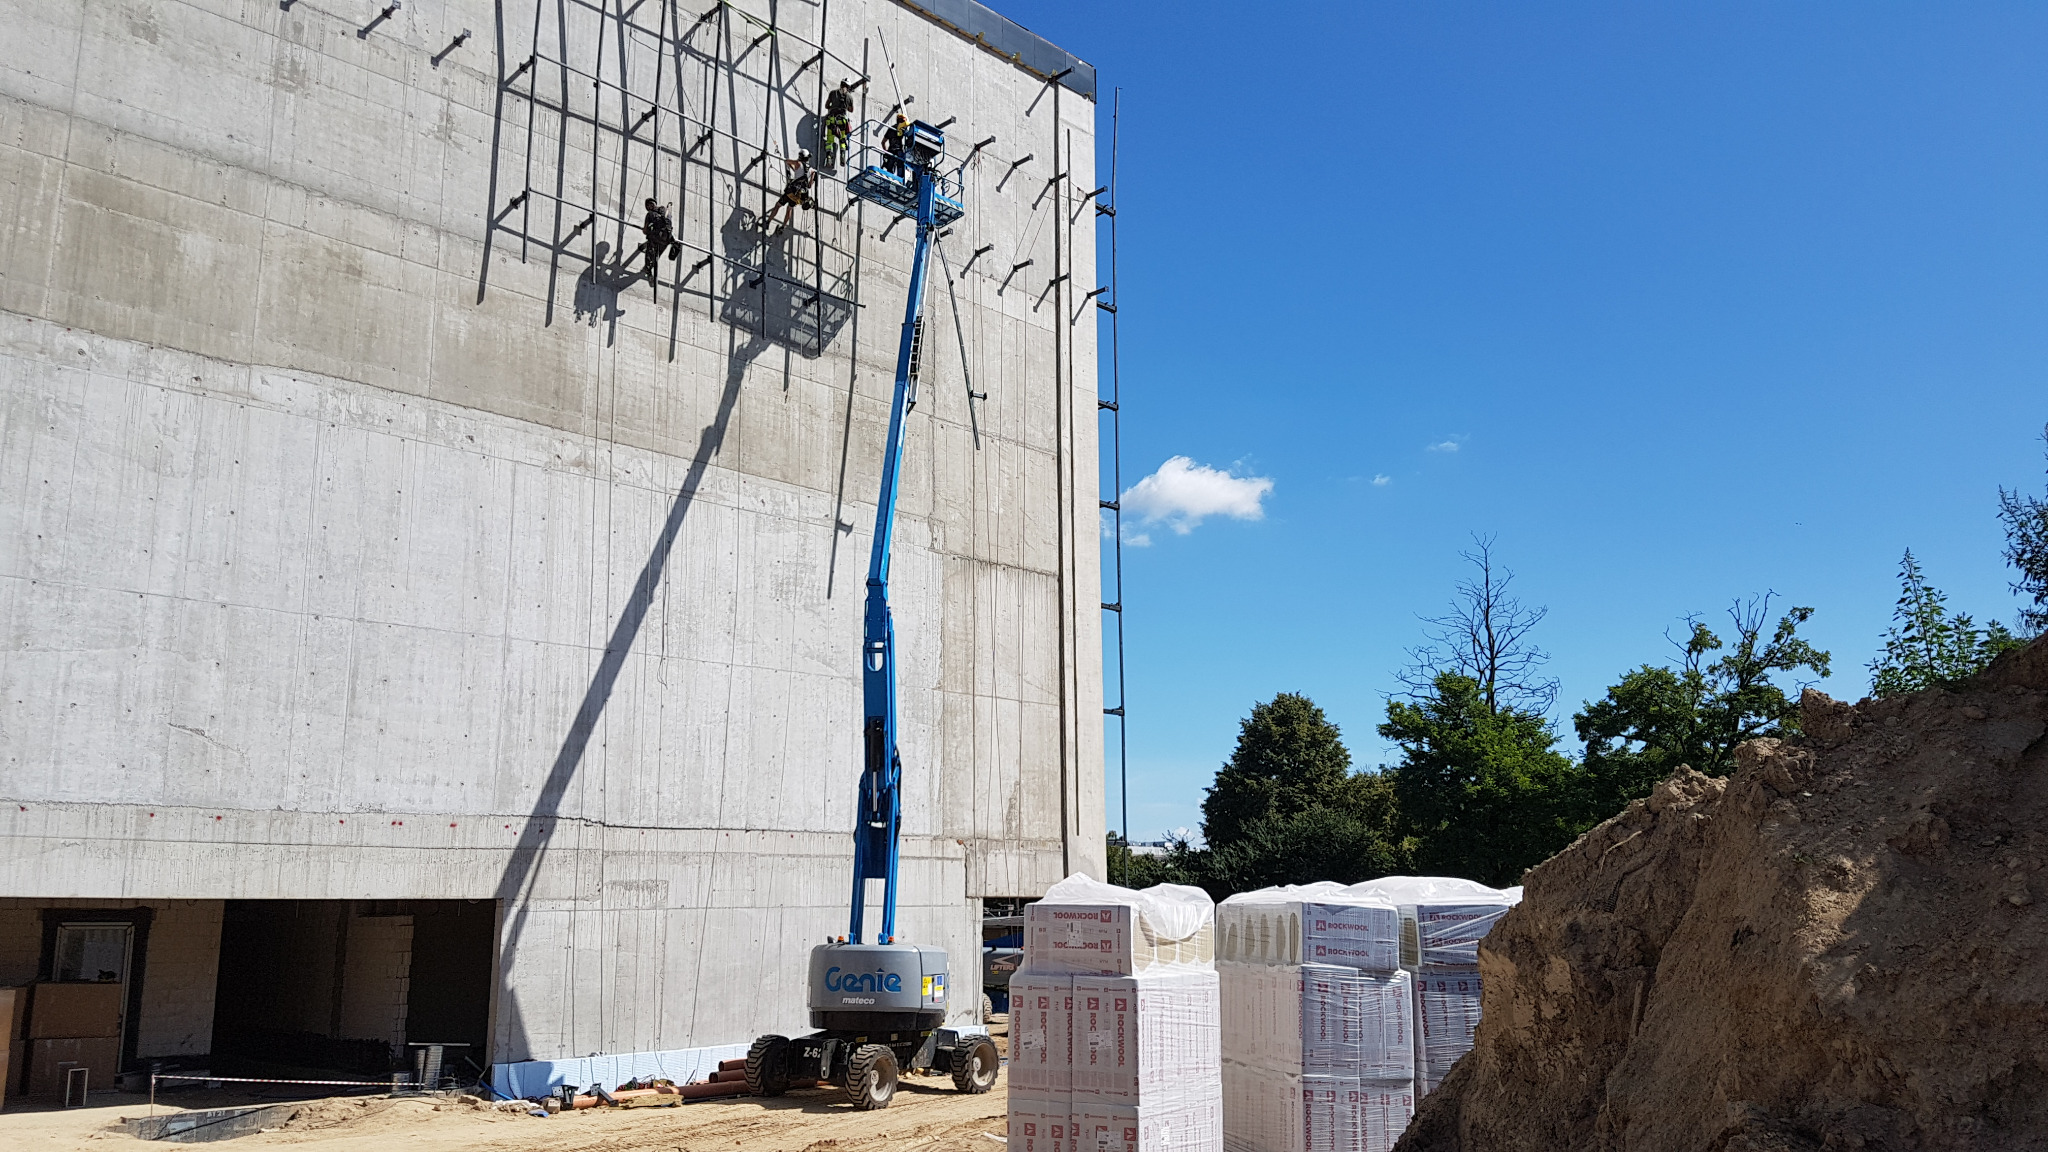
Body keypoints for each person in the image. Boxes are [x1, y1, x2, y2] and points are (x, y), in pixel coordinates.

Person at [760, 152, 815, 234]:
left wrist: (794, 168)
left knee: (778, 205)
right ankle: (782, 227)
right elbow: (810, 185)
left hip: (791, 192)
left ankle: (767, 223)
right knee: (789, 209)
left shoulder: (797, 163)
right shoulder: (811, 170)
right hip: (799, 195)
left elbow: (787, 161)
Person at [637, 198, 677, 284]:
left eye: (648, 205)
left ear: (650, 205)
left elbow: (645, 231)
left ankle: (648, 271)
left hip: (656, 238)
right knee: (656, 256)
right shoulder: (665, 211)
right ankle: (650, 270)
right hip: (667, 239)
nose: (648, 207)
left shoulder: (650, 214)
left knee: (650, 255)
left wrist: (649, 229)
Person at [823, 80, 854, 168]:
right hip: (842, 121)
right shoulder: (849, 97)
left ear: (840, 84)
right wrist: (845, 106)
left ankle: (829, 158)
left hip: (832, 120)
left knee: (829, 140)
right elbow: (851, 110)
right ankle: (843, 156)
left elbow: (826, 105)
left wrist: (832, 107)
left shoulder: (833, 93)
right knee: (842, 140)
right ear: (848, 87)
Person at [881, 109, 909, 177]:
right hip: (899, 152)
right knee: (900, 169)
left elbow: (883, 142)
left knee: (889, 170)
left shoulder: (891, 129)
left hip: (891, 151)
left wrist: (886, 152)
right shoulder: (902, 129)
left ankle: (889, 179)